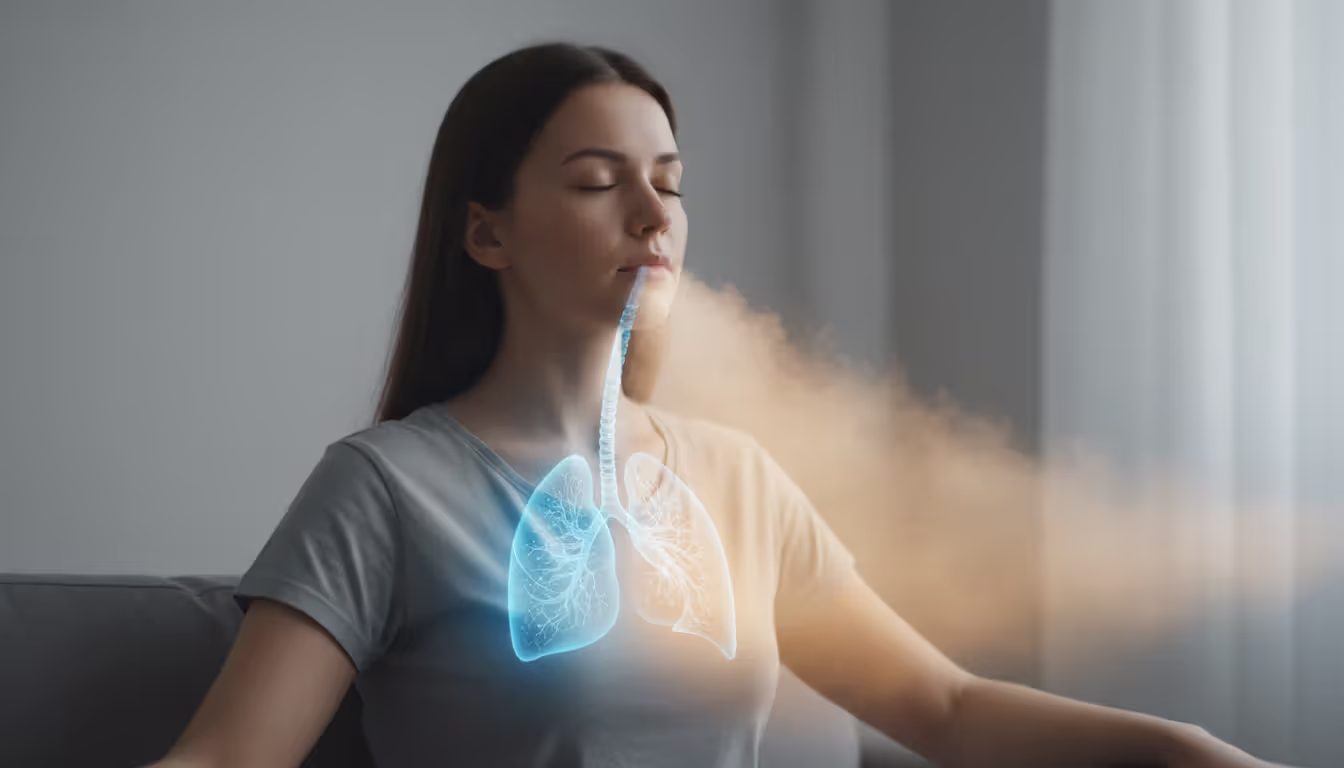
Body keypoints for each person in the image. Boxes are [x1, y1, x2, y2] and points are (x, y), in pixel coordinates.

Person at [148, 41, 1285, 768]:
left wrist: (1182, 753)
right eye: (598, 183)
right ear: (486, 233)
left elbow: (942, 710)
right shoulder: (388, 489)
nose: (653, 216)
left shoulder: (734, 479)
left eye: (671, 183)